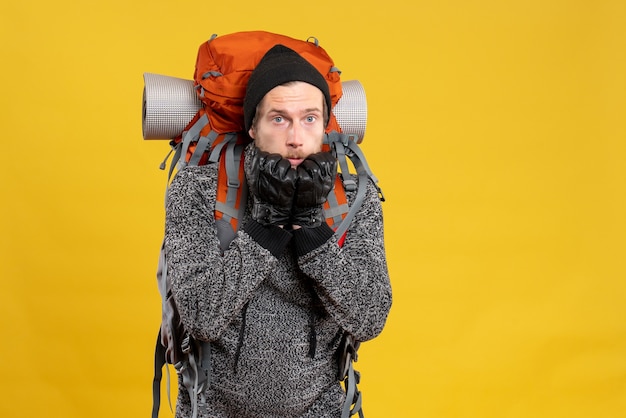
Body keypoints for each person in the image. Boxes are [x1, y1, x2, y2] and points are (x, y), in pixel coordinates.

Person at [164, 44, 392, 418]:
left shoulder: (353, 200)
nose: (296, 138)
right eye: (279, 119)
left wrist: (311, 228)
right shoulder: (197, 190)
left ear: (326, 125)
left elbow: (369, 318)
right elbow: (201, 316)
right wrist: (266, 224)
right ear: (253, 126)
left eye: (309, 119)